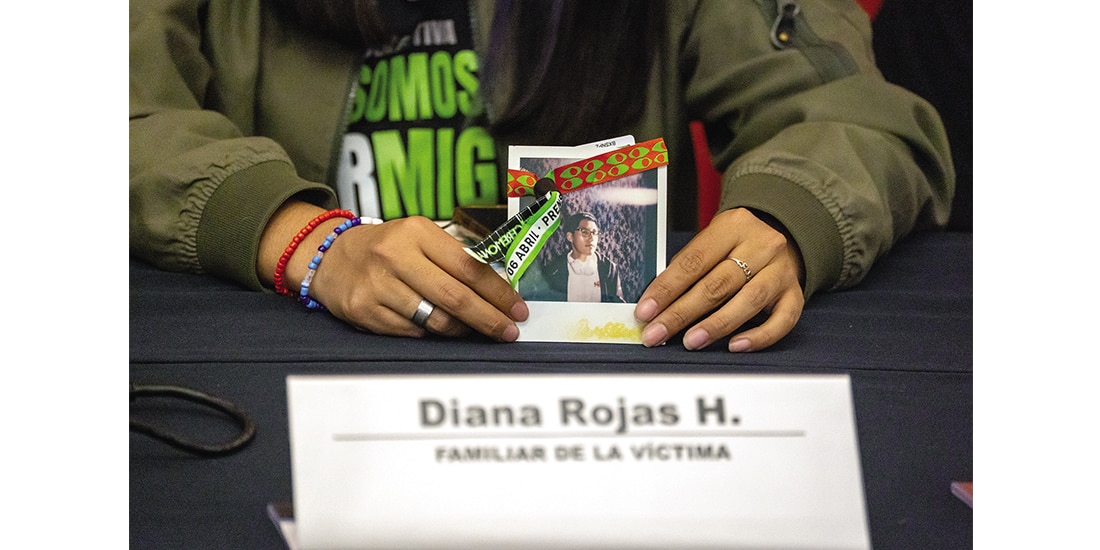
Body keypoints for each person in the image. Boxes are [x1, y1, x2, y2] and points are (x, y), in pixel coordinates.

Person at [130, 0, 955, 352]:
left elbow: (857, 116)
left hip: (594, 386)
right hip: (297, 362)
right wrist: (303, 242)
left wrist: (788, 217)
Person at [543, 212, 625, 303]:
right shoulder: (554, 270)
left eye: (594, 233)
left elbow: (618, 305)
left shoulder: (609, 269)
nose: (591, 238)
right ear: (570, 237)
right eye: (585, 232)